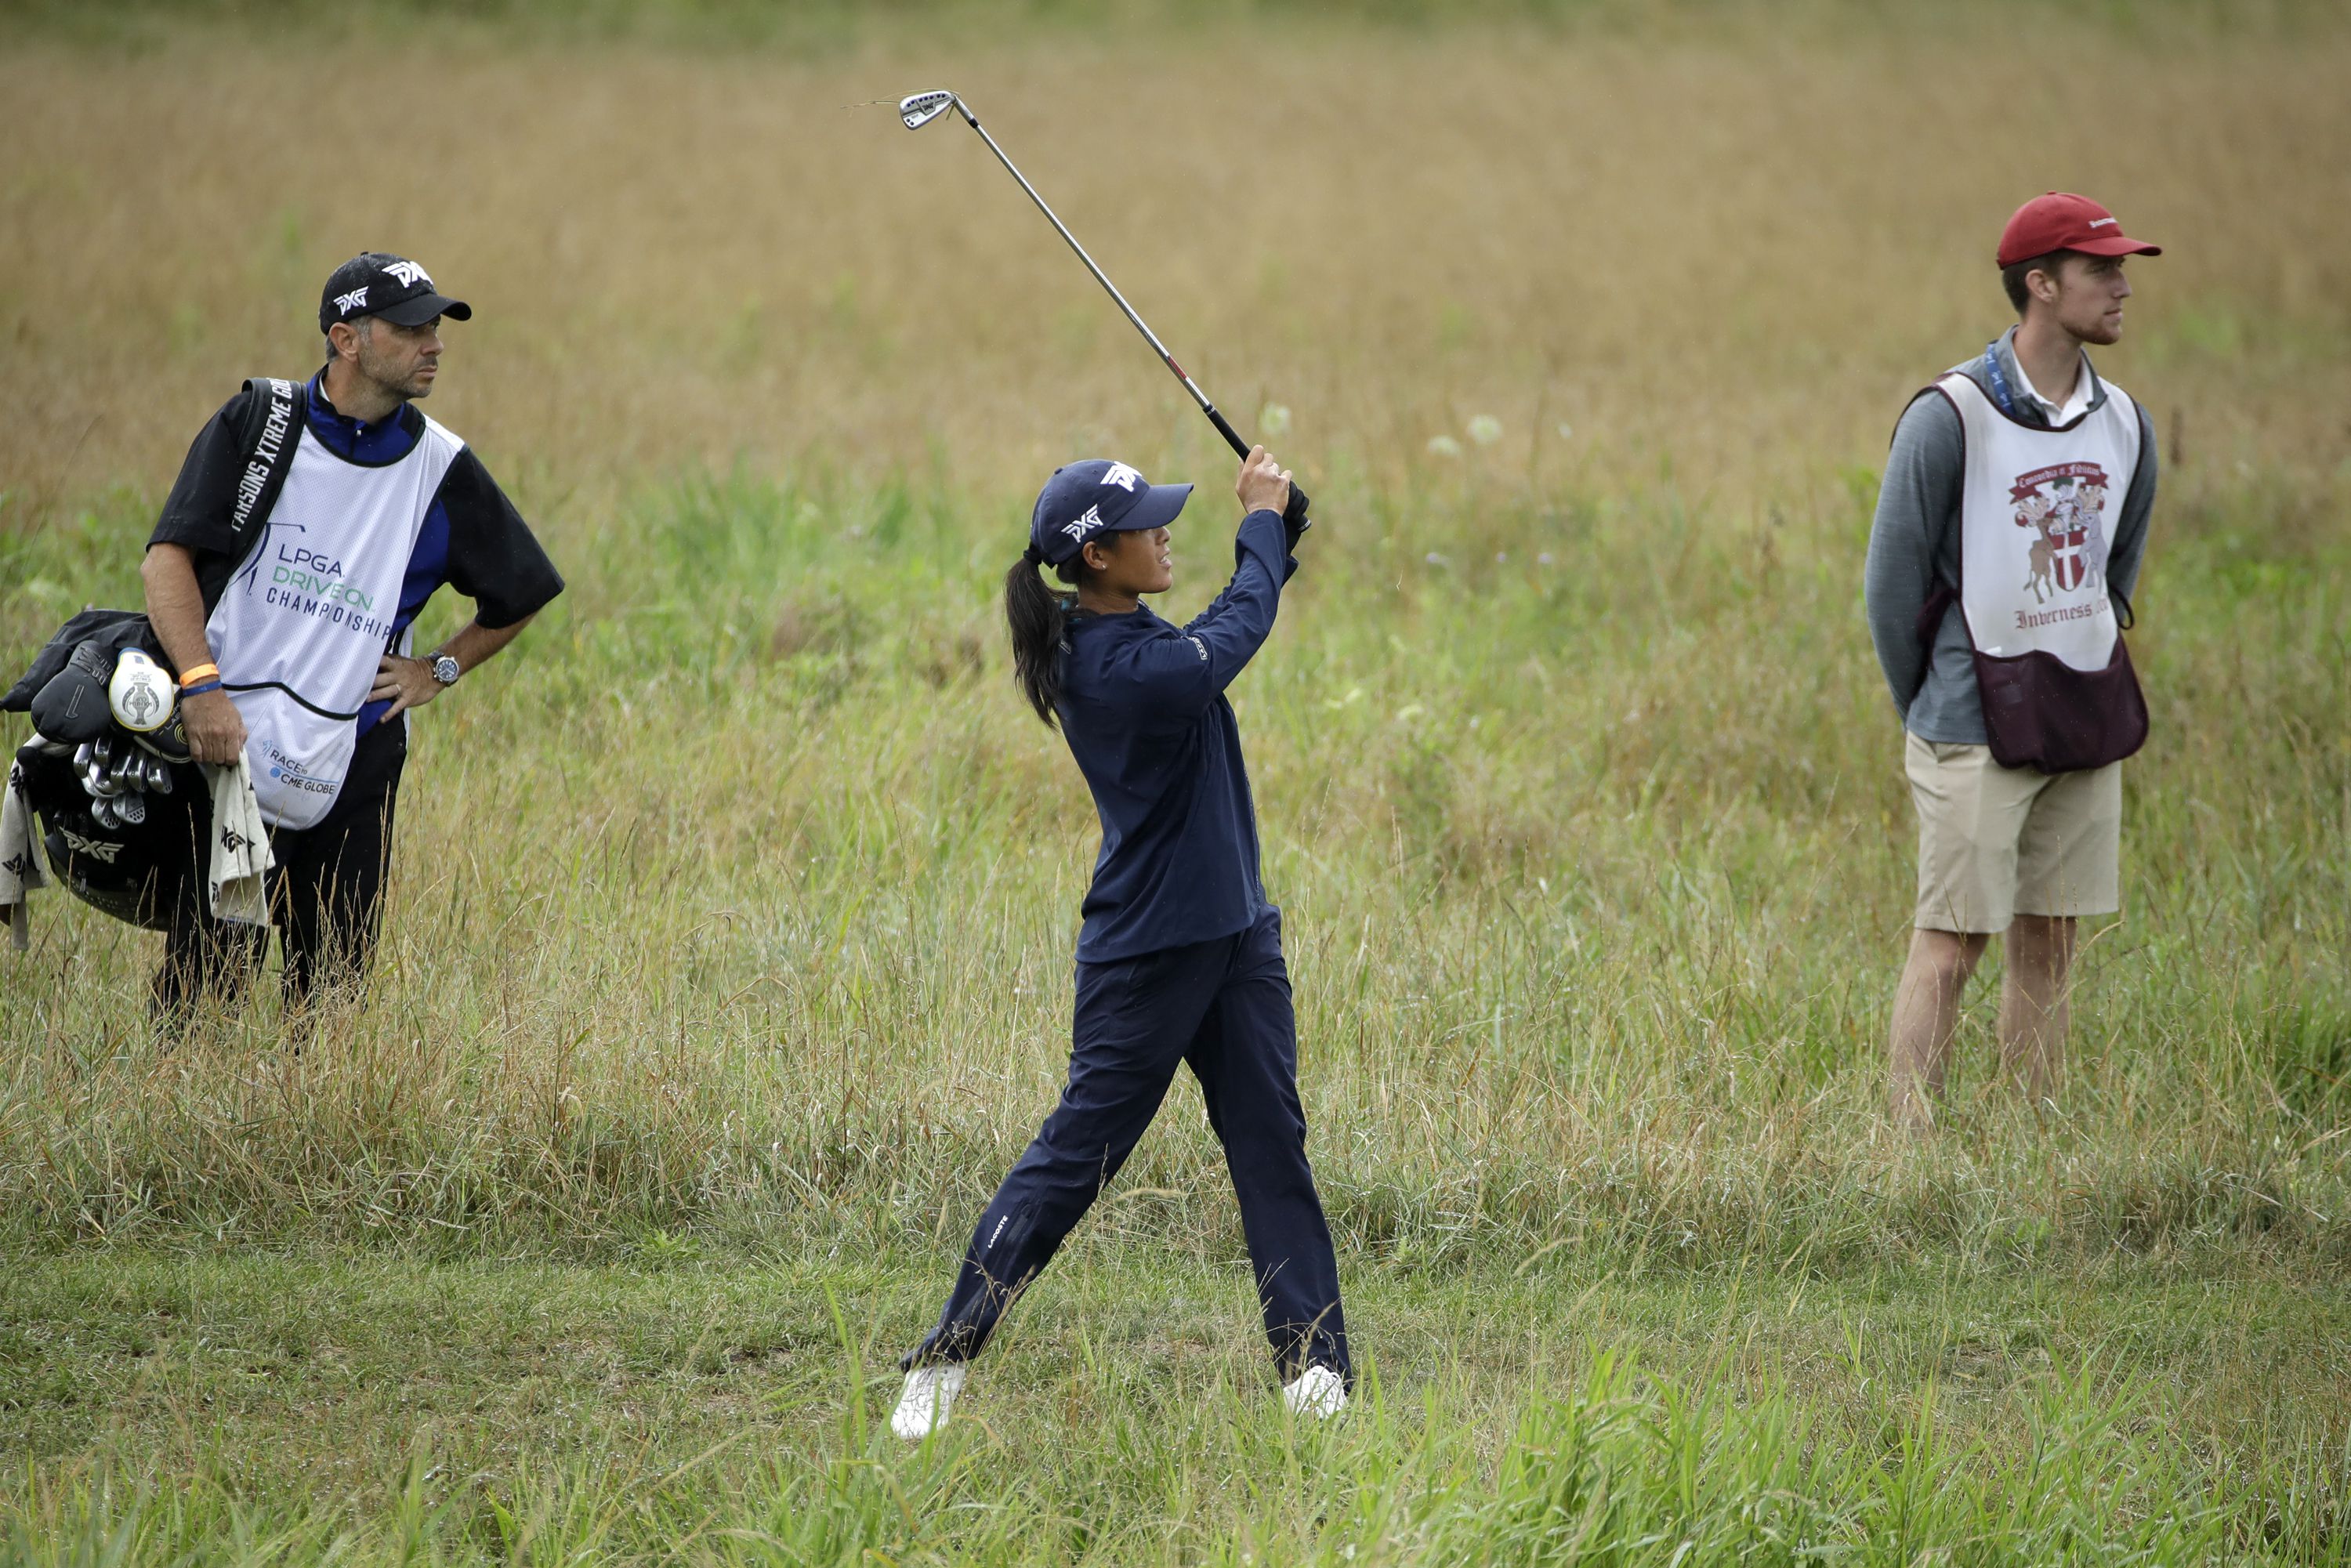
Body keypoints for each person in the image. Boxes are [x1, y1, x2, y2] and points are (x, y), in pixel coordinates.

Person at [889, 447, 1351, 1439]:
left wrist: (1282, 532)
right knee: (1073, 1163)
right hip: (1148, 959)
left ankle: (1315, 1376)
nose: (1164, 530)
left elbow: (1231, 618)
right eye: (1146, 523)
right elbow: (1228, 640)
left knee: (1274, 1148)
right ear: (1096, 558)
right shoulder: (1112, 668)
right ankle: (944, 1358)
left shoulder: (1133, 632)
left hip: (1236, 939)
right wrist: (1261, 531)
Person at [139, 251, 563, 1023]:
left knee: (332, 997)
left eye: (436, 326)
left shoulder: (441, 466)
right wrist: (199, 685)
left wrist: (439, 667)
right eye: (410, 329)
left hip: (359, 750)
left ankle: (319, 1133)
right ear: (347, 339)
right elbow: (168, 560)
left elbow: (523, 589)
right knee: (204, 988)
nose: (433, 343)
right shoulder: (259, 424)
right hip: (228, 739)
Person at [1864, 193, 2162, 1130]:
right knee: (1951, 944)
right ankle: (1909, 1158)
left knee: (2052, 939)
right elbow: (1892, 585)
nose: (2121, 287)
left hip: (2082, 715)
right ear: (2041, 284)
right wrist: (1938, 703)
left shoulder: (2126, 424)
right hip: (1970, 719)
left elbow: (2118, 576)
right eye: (2100, 270)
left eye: (2122, 268)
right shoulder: (1949, 415)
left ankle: (2034, 1146)